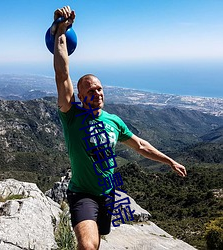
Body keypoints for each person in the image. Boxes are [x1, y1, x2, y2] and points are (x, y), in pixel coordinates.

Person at [52, 6, 187, 250]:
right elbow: (62, 74)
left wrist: (169, 161)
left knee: (98, 240)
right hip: (82, 194)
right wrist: (60, 31)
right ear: (80, 96)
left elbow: (141, 145)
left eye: (100, 88)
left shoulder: (114, 121)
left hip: (108, 194)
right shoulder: (72, 115)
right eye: (90, 90)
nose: (97, 92)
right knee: (87, 246)